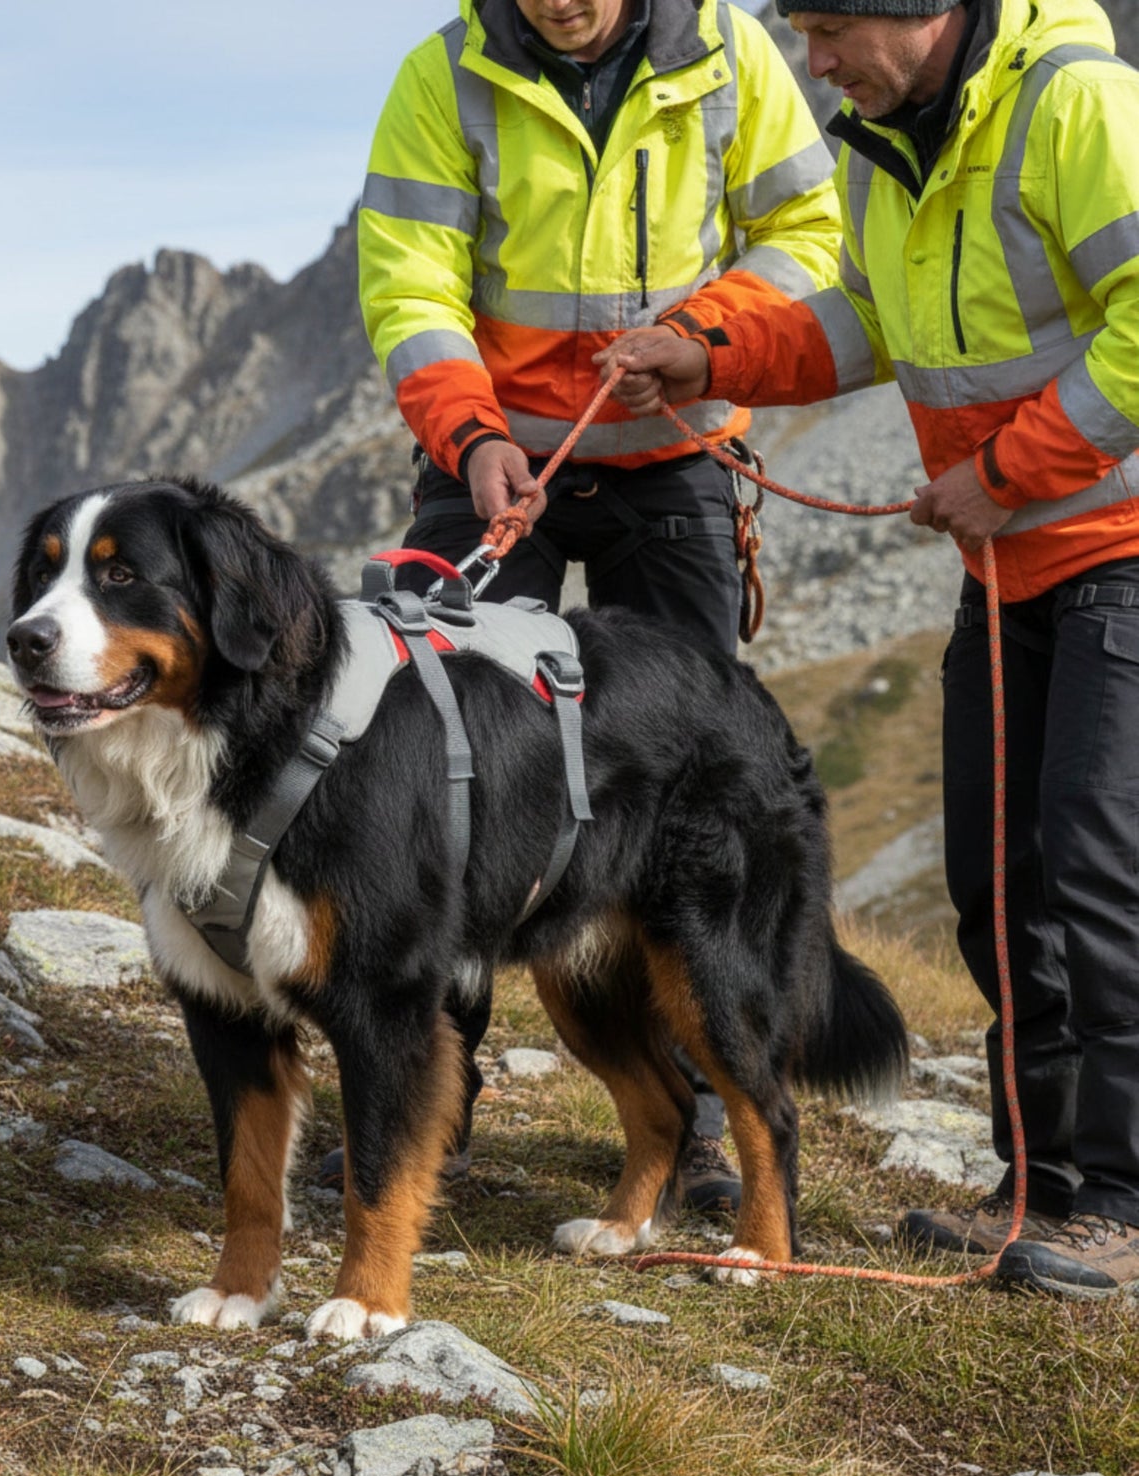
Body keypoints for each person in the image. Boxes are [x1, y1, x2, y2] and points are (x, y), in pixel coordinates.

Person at [601, 0, 1139, 1297]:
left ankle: (1128, 1207)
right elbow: (859, 324)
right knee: (996, 882)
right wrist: (706, 356)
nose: (816, 62)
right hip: (1004, 564)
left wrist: (1012, 469)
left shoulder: (1077, 104)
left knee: (1101, 872)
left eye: (831, 30)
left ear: (928, 11)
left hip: (1116, 549)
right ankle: (1039, 1190)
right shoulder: (883, 142)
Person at [353, 0, 844, 1216]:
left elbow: (810, 234)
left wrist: (699, 333)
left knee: (685, 785)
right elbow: (411, 283)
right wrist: (468, 438)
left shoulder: (735, 53)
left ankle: (704, 1119)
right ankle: (430, 1108)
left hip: (678, 451)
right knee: (444, 773)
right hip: (493, 458)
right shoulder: (442, 75)